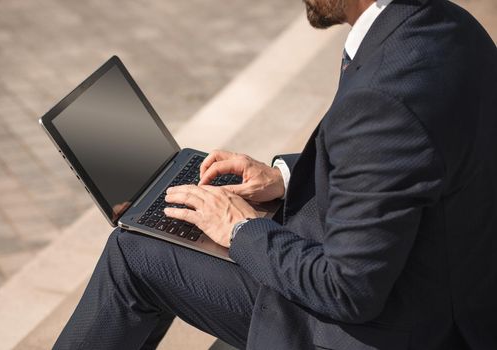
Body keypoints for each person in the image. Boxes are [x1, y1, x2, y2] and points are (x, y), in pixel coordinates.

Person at [54, 0, 497, 348]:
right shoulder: (451, 27)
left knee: (131, 254)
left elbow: (347, 290)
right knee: (166, 234)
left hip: (385, 330)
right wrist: (285, 178)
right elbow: (401, 170)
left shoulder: (382, 97)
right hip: (441, 293)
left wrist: (240, 229)